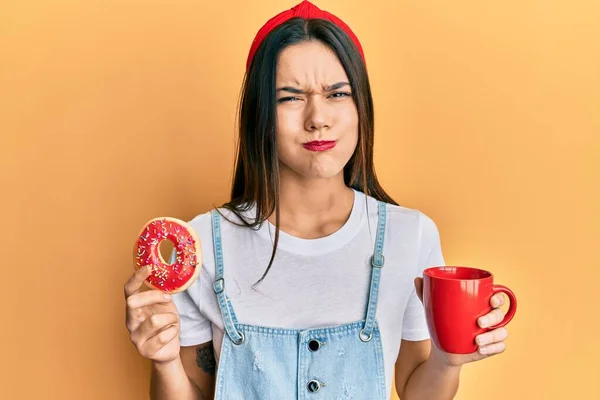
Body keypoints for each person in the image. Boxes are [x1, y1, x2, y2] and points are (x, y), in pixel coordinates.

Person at [124, 1, 511, 399]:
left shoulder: (410, 235)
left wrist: (449, 360)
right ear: (259, 114)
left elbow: (416, 391)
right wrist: (164, 361)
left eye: (337, 94)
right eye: (290, 97)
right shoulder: (202, 243)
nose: (317, 118)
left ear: (361, 105)